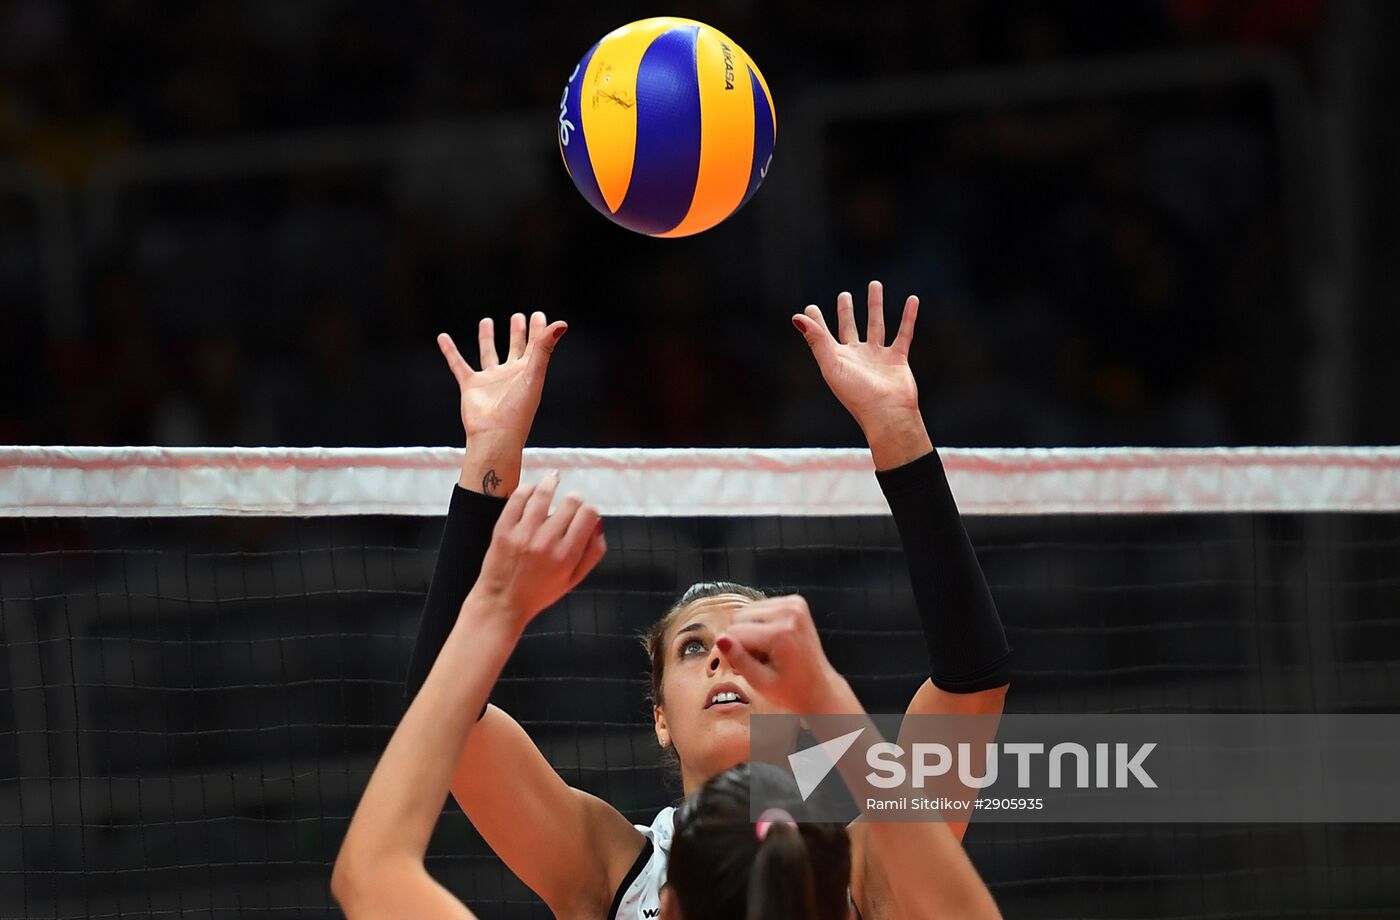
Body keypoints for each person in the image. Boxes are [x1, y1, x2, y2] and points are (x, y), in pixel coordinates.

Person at [398, 286, 1010, 918]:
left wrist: (897, 428)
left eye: (754, 645)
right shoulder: (607, 866)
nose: (723, 654)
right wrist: (491, 452)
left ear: (798, 703)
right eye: (693, 648)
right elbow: (443, 710)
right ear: (660, 718)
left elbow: (972, 683)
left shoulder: (864, 865)